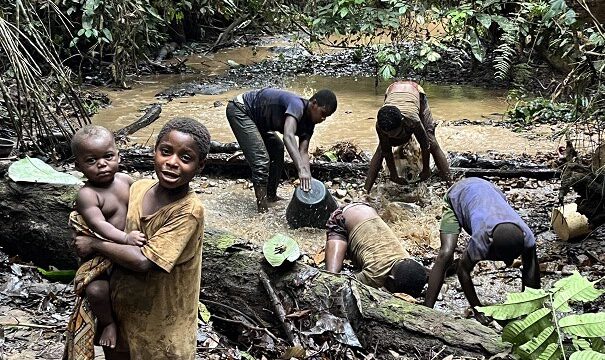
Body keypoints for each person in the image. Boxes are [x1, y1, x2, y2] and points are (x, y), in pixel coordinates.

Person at [73, 117, 210, 359]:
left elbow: (143, 261)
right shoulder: (138, 188)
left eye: (185, 158)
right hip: (120, 317)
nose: (172, 163)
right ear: (154, 151)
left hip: (162, 328)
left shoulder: (188, 211)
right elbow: (98, 215)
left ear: (200, 166)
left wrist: (94, 244)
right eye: (165, 152)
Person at [65, 125, 146, 353]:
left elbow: (143, 200)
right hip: (102, 256)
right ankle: (108, 323)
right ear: (78, 166)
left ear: (118, 156)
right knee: (96, 291)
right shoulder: (87, 194)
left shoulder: (126, 181)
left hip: (126, 255)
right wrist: (126, 238)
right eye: (91, 160)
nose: (102, 164)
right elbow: (98, 225)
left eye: (108, 156)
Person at [424, 177, 540, 319]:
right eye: (503, 259)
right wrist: (478, 310)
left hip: (491, 191)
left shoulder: (527, 237)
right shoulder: (482, 238)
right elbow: (463, 269)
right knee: (446, 253)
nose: (507, 264)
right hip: (459, 193)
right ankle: (426, 310)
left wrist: (529, 313)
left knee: (531, 260)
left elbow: (532, 273)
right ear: (490, 244)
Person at [226, 88, 337, 212]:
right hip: (241, 110)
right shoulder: (297, 105)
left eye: (327, 117)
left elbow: (303, 151)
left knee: (277, 149)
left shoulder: (310, 124)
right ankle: (262, 210)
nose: (323, 119)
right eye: (323, 113)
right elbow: (288, 136)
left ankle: (271, 196)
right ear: (314, 103)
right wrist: (300, 170)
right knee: (261, 161)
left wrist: (308, 176)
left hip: (259, 121)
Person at [364, 80, 451, 193]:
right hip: (392, 92)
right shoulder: (381, 125)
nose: (392, 137)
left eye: (395, 134)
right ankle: (365, 191)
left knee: (432, 141)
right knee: (381, 148)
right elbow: (386, 151)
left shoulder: (412, 121)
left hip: (416, 92)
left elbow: (425, 145)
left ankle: (451, 185)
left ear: (402, 122)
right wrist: (394, 175)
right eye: (388, 134)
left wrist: (426, 169)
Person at [324, 202, 427, 297]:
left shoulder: (405, 258)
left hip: (366, 209)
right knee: (332, 280)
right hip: (341, 218)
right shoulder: (376, 274)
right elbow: (347, 284)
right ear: (390, 280)